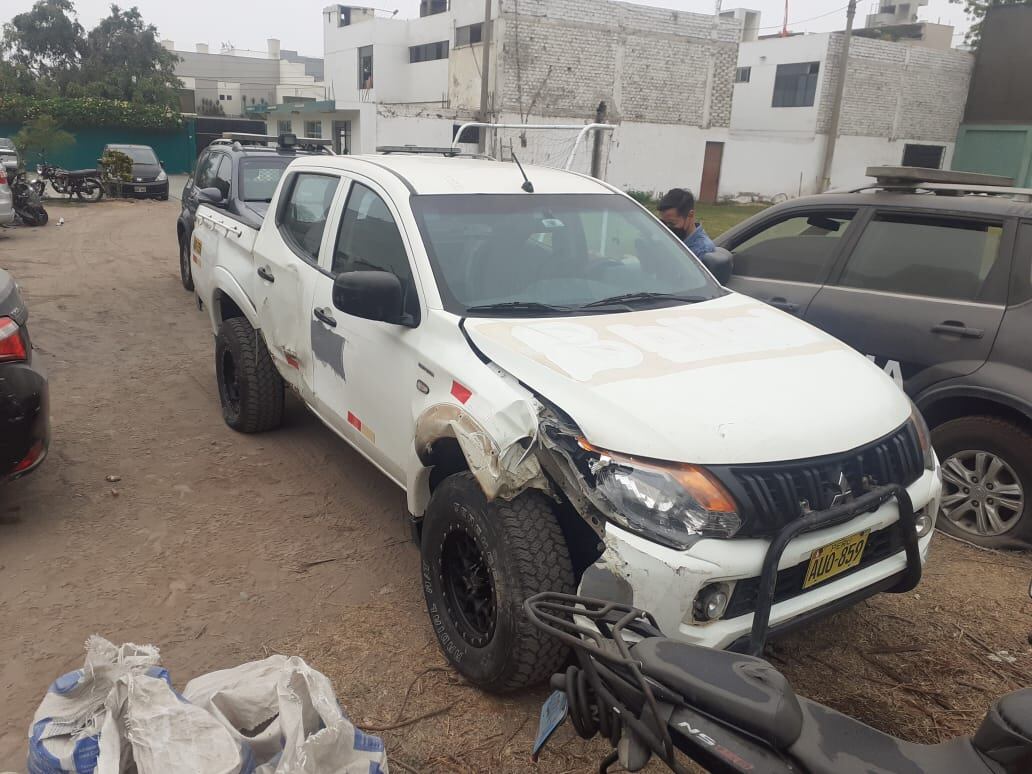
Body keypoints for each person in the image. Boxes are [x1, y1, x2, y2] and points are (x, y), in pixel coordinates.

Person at [657, 188, 716, 258]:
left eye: (672, 223)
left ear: (690, 214)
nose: (667, 228)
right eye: (663, 223)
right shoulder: (669, 239)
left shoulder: (702, 250)